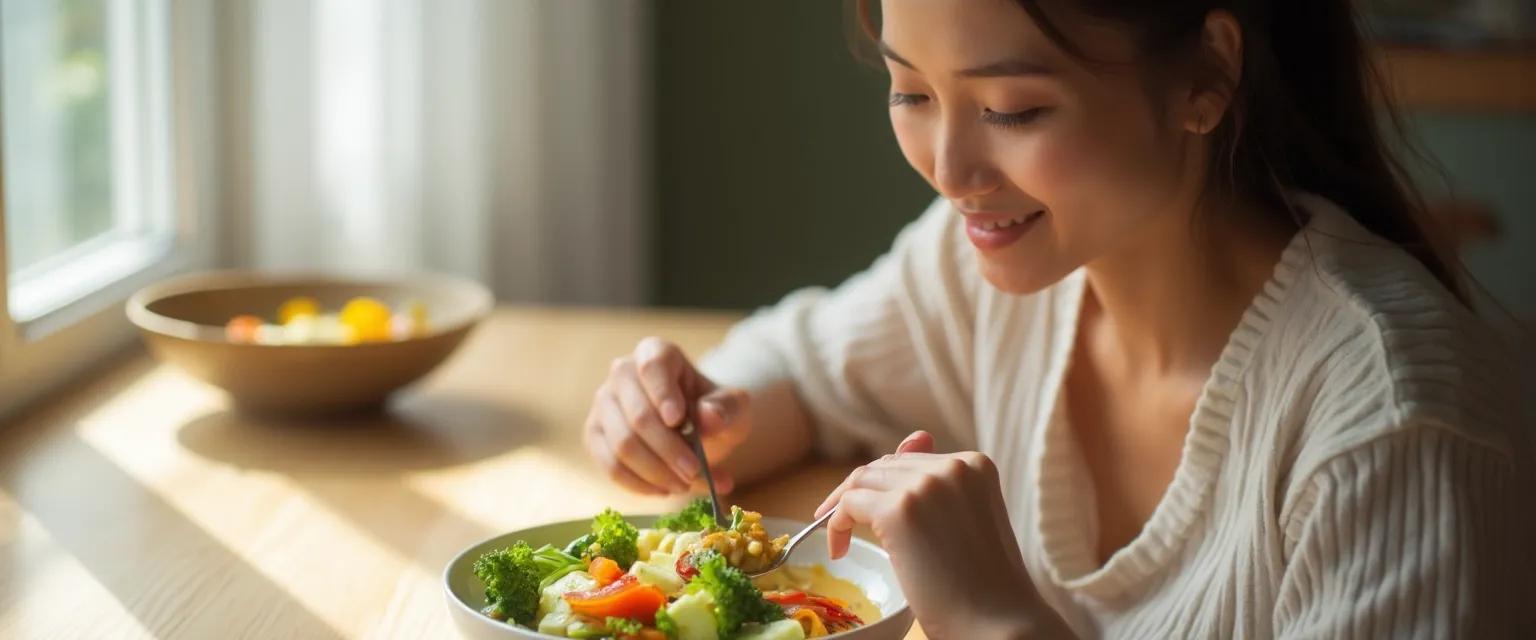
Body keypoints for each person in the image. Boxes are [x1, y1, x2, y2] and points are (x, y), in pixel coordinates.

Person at [582, 0, 1531, 636]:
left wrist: (997, 620)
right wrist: (700, 412)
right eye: (911, 91)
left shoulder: (1395, 430)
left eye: (1012, 109)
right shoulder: (990, 267)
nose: (950, 171)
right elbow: (803, 363)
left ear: (1207, 71)